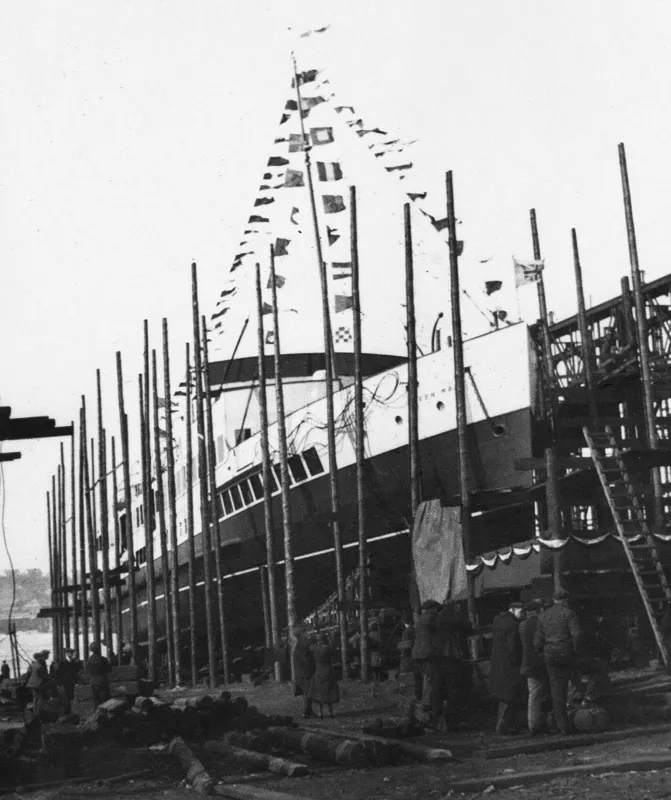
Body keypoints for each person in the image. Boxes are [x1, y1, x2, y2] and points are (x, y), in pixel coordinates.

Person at [534, 588, 583, 736]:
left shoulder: (543, 616)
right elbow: (577, 634)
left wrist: (541, 653)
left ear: (554, 600)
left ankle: (562, 726)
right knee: (577, 683)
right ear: (565, 600)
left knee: (557, 691)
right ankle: (581, 716)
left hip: (551, 656)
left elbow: (537, 640)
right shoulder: (569, 613)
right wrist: (576, 650)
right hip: (567, 653)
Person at [490, 601, 524, 734]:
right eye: (521, 611)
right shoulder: (513, 624)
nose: (523, 614)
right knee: (510, 696)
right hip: (510, 664)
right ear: (513, 610)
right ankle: (504, 726)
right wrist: (518, 661)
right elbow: (513, 647)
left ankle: (504, 725)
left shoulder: (497, 620)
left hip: (499, 663)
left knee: (504, 697)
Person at [519, 599, 548, 735]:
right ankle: (539, 724)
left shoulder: (522, 625)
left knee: (534, 695)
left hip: (527, 664)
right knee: (541, 694)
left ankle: (534, 725)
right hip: (541, 663)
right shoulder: (541, 623)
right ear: (539, 611)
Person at [411, 599, 442, 723]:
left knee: (424, 679)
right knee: (429, 679)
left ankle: (423, 704)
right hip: (427, 654)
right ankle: (426, 706)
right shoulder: (431, 617)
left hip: (418, 654)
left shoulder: (420, 618)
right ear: (432, 609)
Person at [310, 632, 340, 718]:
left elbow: (310, 647)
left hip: (319, 671)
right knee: (329, 690)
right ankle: (330, 712)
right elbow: (334, 650)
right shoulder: (327, 648)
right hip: (328, 670)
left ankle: (320, 712)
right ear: (324, 640)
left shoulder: (315, 648)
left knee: (320, 691)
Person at [290, 626, 316, 719]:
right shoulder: (300, 643)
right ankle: (307, 711)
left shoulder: (297, 643)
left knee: (307, 693)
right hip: (305, 673)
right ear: (300, 634)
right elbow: (308, 646)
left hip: (302, 672)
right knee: (308, 692)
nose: (307, 633)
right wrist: (313, 637)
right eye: (305, 632)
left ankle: (308, 711)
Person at [398, 612, 422, 701]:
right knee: (417, 677)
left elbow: (405, 647)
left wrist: (402, 656)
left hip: (408, 657)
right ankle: (418, 695)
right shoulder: (415, 629)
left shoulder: (407, 632)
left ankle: (409, 698)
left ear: (404, 622)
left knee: (407, 677)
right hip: (416, 655)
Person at [86, 642, 112, 708]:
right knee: (105, 699)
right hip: (102, 680)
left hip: (93, 681)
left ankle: (97, 715)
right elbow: (109, 670)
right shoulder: (103, 659)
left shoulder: (89, 659)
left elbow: (88, 670)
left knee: (96, 700)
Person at [57, 648, 82, 715]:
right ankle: (66, 712)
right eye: (70, 653)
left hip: (72, 681)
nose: (71, 654)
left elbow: (76, 671)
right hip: (65, 682)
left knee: (70, 696)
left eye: (72, 653)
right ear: (67, 654)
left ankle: (69, 711)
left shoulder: (73, 661)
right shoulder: (62, 662)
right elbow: (58, 673)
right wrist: (59, 682)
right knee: (66, 697)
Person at [25, 651, 49, 716]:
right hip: (39, 684)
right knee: (39, 698)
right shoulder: (40, 665)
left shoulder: (32, 665)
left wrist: (26, 682)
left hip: (31, 684)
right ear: (39, 658)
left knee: (35, 698)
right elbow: (43, 676)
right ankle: (38, 713)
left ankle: (35, 712)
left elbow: (28, 674)